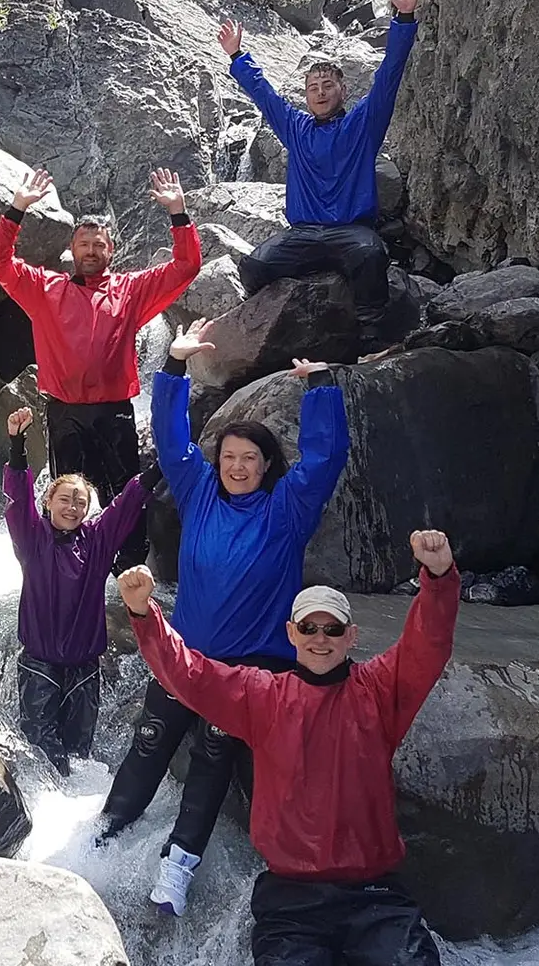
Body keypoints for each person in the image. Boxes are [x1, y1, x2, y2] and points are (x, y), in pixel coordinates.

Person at [115, 527, 460, 966]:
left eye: (332, 629)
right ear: (291, 634)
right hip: (291, 898)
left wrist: (439, 575)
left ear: (351, 636)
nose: (320, 638)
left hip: (375, 895)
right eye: (309, 627)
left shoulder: (379, 690)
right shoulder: (263, 696)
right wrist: (144, 614)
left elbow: (427, 646)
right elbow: (192, 676)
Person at [100, 319, 351, 916]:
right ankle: (103, 835)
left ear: (267, 465)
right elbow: (169, 440)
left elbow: (326, 456)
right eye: (230, 457)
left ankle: (178, 868)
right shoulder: (200, 493)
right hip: (183, 655)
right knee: (149, 744)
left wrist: (318, 388)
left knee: (214, 760)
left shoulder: (289, 508)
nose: (238, 467)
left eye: (250, 459)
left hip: (248, 666)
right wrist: (174, 367)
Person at [0, 168, 202, 572]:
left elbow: (186, 265)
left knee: (127, 495)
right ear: (72, 250)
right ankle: (66, 570)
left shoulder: (131, 291)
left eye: (97, 245)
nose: (90, 250)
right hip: (64, 412)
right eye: (83, 244)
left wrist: (178, 212)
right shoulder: (45, 289)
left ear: (110, 250)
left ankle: (130, 571)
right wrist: (17, 209)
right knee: (66, 495)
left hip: (115, 412)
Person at [220, 0, 422, 359]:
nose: (320, 92)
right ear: (306, 96)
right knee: (254, 265)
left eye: (328, 86)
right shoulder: (296, 127)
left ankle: (372, 343)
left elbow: (389, 76)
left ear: (343, 91)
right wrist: (236, 56)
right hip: (305, 234)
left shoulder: (363, 123)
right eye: (313, 88)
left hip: (350, 231)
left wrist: (404, 19)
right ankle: (267, 336)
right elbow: (266, 97)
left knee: (371, 254)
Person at [1, 406, 157, 775]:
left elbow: (127, 503)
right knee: (42, 760)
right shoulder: (31, 536)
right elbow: (17, 501)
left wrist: (160, 468)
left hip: (85, 668)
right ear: (48, 503)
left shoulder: (98, 540)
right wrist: (16, 444)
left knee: (79, 759)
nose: (72, 507)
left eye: (81, 502)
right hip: (39, 664)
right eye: (65, 499)